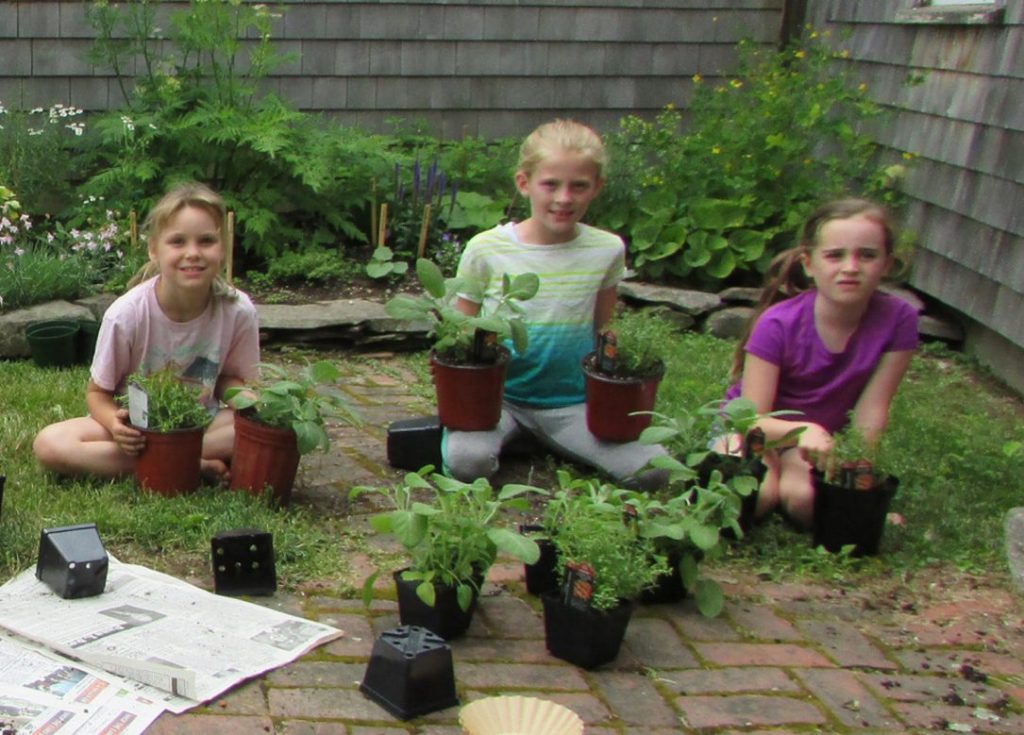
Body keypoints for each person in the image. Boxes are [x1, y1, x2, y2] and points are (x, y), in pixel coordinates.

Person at [442, 119, 666, 488]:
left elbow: (605, 328)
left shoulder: (606, 249)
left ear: (597, 187)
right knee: (468, 462)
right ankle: (512, 437)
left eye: (579, 186)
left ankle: (548, 438)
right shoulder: (486, 249)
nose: (564, 198)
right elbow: (460, 332)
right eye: (551, 184)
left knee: (653, 469)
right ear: (524, 183)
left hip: (573, 404)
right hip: (499, 401)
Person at [33, 182, 260, 482]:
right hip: (135, 432)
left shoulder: (238, 310)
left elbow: (229, 379)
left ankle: (172, 461)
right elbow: (98, 394)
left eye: (206, 241)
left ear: (223, 248)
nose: (193, 253)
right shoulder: (126, 314)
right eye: (177, 242)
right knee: (50, 444)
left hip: (199, 424)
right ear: (154, 250)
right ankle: (193, 464)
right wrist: (115, 425)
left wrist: (251, 404)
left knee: (251, 428)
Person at [722, 198, 919, 527]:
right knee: (754, 497)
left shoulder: (899, 321)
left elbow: (872, 411)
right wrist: (803, 431)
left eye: (867, 255)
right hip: (758, 431)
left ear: (887, 264)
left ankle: (791, 476)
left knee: (805, 501)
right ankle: (769, 472)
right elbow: (749, 420)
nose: (851, 267)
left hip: (819, 444)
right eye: (835, 255)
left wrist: (858, 477)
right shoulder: (778, 324)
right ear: (809, 263)